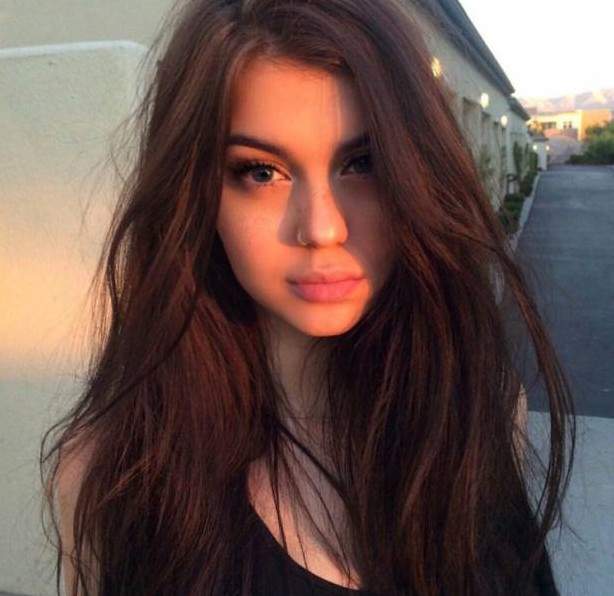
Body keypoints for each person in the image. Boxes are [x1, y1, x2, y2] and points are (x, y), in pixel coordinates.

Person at [40, 0, 576, 594]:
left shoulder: (481, 408)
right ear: (197, 195)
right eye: (261, 172)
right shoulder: (111, 478)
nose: (322, 228)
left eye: (363, 163)